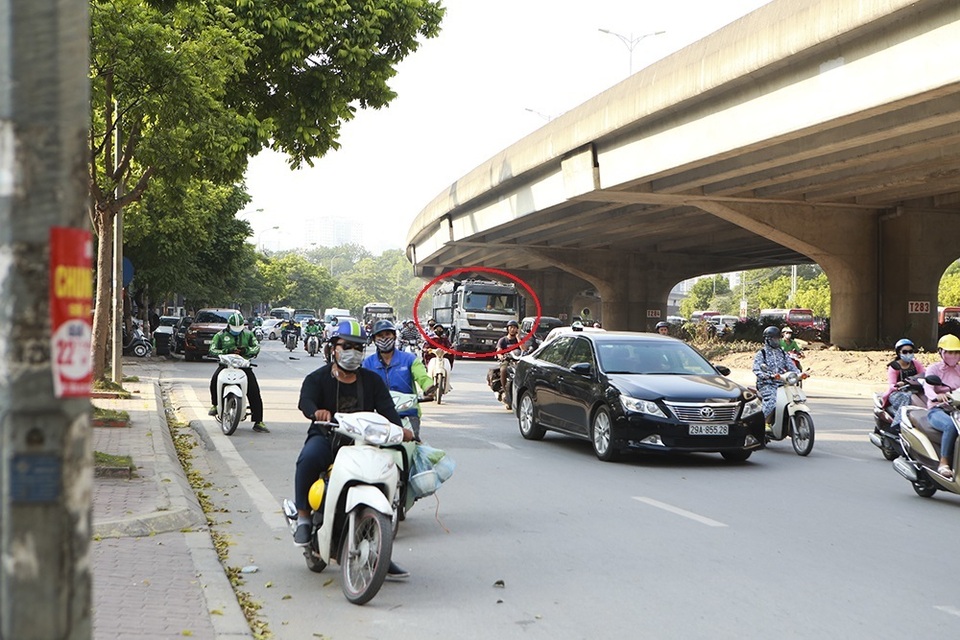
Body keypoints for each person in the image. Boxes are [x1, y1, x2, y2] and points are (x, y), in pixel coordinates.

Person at [293, 319, 413, 578]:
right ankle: (303, 517)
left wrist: (400, 430)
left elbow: (388, 411)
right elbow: (305, 401)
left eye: (358, 348)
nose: (353, 352)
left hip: (363, 443)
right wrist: (316, 412)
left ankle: (381, 547)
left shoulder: (372, 381)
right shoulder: (317, 378)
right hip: (328, 437)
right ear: (333, 348)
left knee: (390, 471)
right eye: (346, 346)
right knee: (308, 459)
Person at [363, 320, 436, 438]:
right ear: (374, 339)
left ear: (394, 336)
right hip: (378, 416)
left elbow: (422, 377)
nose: (384, 338)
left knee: (410, 448)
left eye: (387, 335)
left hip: (408, 413)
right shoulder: (367, 363)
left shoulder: (409, 359)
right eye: (380, 336)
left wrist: (429, 388)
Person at [207, 312, 268, 433]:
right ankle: (215, 404)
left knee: (254, 391)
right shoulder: (220, 335)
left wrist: (247, 350)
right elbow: (212, 349)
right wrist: (227, 350)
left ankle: (258, 421)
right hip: (226, 365)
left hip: (244, 366)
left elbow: (256, 347)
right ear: (229, 325)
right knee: (214, 381)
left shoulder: (249, 335)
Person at [921, 334, 960, 479]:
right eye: (950, 352)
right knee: (950, 426)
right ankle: (944, 462)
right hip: (938, 409)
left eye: (956, 352)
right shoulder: (934, 369)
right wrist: (936, 396)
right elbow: (928, 388)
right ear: (941, 352)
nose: (953, 355)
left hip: (957, 408)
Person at [752, 326, 800, 434]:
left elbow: (792, 367)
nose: (777, 341)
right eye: (774, 339)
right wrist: (768, 376)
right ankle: (763, 423)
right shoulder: (761, 354)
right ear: (768, 339)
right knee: (773, 400)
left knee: (795, 398)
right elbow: (756, 369)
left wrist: (800, 374)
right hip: (766, 384)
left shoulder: (782, 353)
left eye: (778, 339)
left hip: (782, 383)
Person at [881, 338, 926, 428]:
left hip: (916, 390)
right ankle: (897, 425)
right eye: (905, 352)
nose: (908, 354)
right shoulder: (894, 366)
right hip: (898, 393)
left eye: (910, 351)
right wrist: (898, 385)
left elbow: (924, 374)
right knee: (908, 397)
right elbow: (892, 385)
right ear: (899, 353)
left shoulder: (916, 364)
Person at [496, 320, 522, 410]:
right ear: (507, 329)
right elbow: (499, 351)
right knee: (503, 370)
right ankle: (504, 390)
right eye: (510, 327)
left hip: (517, 361)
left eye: (514, 328)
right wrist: (501, 356)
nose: (512, 329)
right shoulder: (503, 340)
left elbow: (524, 349)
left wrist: (519, 338)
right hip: (507, 361)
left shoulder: (519, 340)